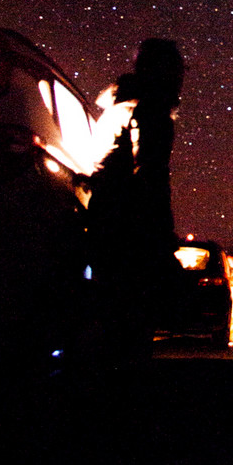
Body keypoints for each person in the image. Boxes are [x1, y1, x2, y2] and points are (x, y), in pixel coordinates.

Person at [86, 39, 186, 361]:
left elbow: (100, 163)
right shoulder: (151, 109)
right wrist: (162, 232)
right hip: (131, 222)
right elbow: (151, 174)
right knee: (133, 315)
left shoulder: (118, 106)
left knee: (111, 310)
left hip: (105, 213)